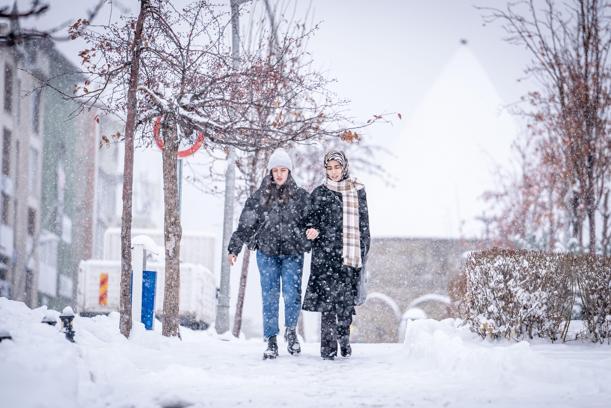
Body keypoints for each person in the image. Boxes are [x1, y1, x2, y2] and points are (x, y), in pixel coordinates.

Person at [227, 148, 310, 359]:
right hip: (267, 253)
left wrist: (308, 236)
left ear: (289, 172)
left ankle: (291, 332)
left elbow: (313, 222)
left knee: (292, 294)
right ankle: (271, 339)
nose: (280, 174)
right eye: (276, 170)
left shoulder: (301, 197)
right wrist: (234, 248)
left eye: (284, 170)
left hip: (293, 253)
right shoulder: (259, 197)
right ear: (270, 172)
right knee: (270, 296)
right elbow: (245, 225)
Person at [302, 150, 370, 360]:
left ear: (344, 167)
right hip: (325, 256)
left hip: (349, 257)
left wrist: (363, 250)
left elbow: (364, 224)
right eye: (329, 168)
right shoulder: (320, 193)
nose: (333, 172)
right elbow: (309, 221)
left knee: (345, 305)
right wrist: (312, 230)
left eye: (337, 167)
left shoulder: (358, 191)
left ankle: (344, 339)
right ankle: (328, 350)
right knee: (328, 305)